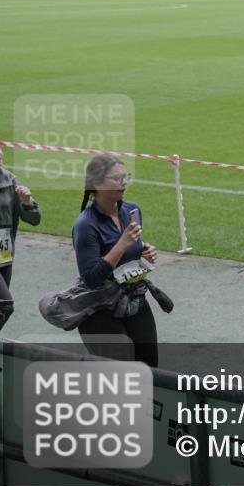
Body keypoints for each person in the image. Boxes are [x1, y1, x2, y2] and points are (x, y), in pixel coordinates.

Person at [73, 153, 159, 366]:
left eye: (125, 176)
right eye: (117, 178)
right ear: (96, 183)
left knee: (149, 366)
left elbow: (133, 250)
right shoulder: (85, 225)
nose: (124, 182)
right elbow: (92, 278)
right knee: (119, 371)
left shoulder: (132, 210)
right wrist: (122, 244)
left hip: (134, 300)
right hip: (100, 309)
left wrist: (144, 252)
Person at [0, 133, 41, 336]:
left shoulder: (10, 181)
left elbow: (34, 220)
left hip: (3, 257)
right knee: (3, 305)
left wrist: (27, 203)